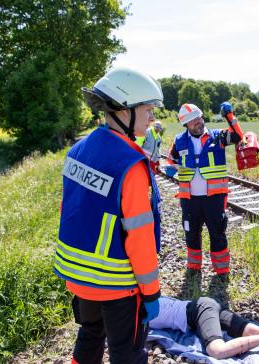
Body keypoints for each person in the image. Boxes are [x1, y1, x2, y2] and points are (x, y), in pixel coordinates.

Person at [55, 67, 164, 364]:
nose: (152, 118)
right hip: (118, 286)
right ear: (124, 110)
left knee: (90, 337)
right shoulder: (130, 166)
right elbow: (139, 239)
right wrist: (151, 293)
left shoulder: (76, 151)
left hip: (79, 279)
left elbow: (72, 210)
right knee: (127, 355)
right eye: (147, 110)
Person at [165, 102, 244, 279]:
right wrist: (171, 167)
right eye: (193, 121)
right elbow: (171, 160)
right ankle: (193, 268)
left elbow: (239, 136)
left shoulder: (217, 136)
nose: (198, 122)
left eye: (199, 117)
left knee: (217, 232)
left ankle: (222, 271)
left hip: (213, 198)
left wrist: (229, 115)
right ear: (186, 125)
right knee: (191, 233)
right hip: (189, 199)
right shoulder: (179, 141)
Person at [149, 296, 259, 362]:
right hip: (204, 305)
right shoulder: (144, 298)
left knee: (217, 350)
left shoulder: (135, 310)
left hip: (199, 312)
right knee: (252, 330)